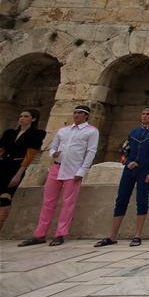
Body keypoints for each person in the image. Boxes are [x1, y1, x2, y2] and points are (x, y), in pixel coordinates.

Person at [19, 104, 98, 247]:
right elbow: (53, 146)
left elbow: (91, 152)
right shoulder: (63, 130)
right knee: (48, 202)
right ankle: (40, 234)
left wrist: (82, 170)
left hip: (73, 170)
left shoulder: (91, 131)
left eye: (80, 113)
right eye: (75, 113)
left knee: (68, 203)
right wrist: (52, 153)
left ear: (86, 115)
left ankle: (60, 233)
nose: (76, 115)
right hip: (56, 168)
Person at [95, 106, 149, 247]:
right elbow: (124, 151)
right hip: (129, 170)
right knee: (121, 199)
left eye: (148, 114)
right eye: (143, 114)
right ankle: (112, 235)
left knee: (142, 200)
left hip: (145, 170)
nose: (144, 116)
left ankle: (137, 235)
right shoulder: (134, 132)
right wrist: (127, 162)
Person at [0, 109, 46, 231]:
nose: (22, 118)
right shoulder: (10, 133)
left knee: (5, 197)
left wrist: (18, 174)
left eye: (26, 116)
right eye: (21, 116)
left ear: (33, 119)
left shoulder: (37, 134)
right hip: (3, 164)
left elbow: (29, 156)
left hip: (16, 167)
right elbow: (1, 150)